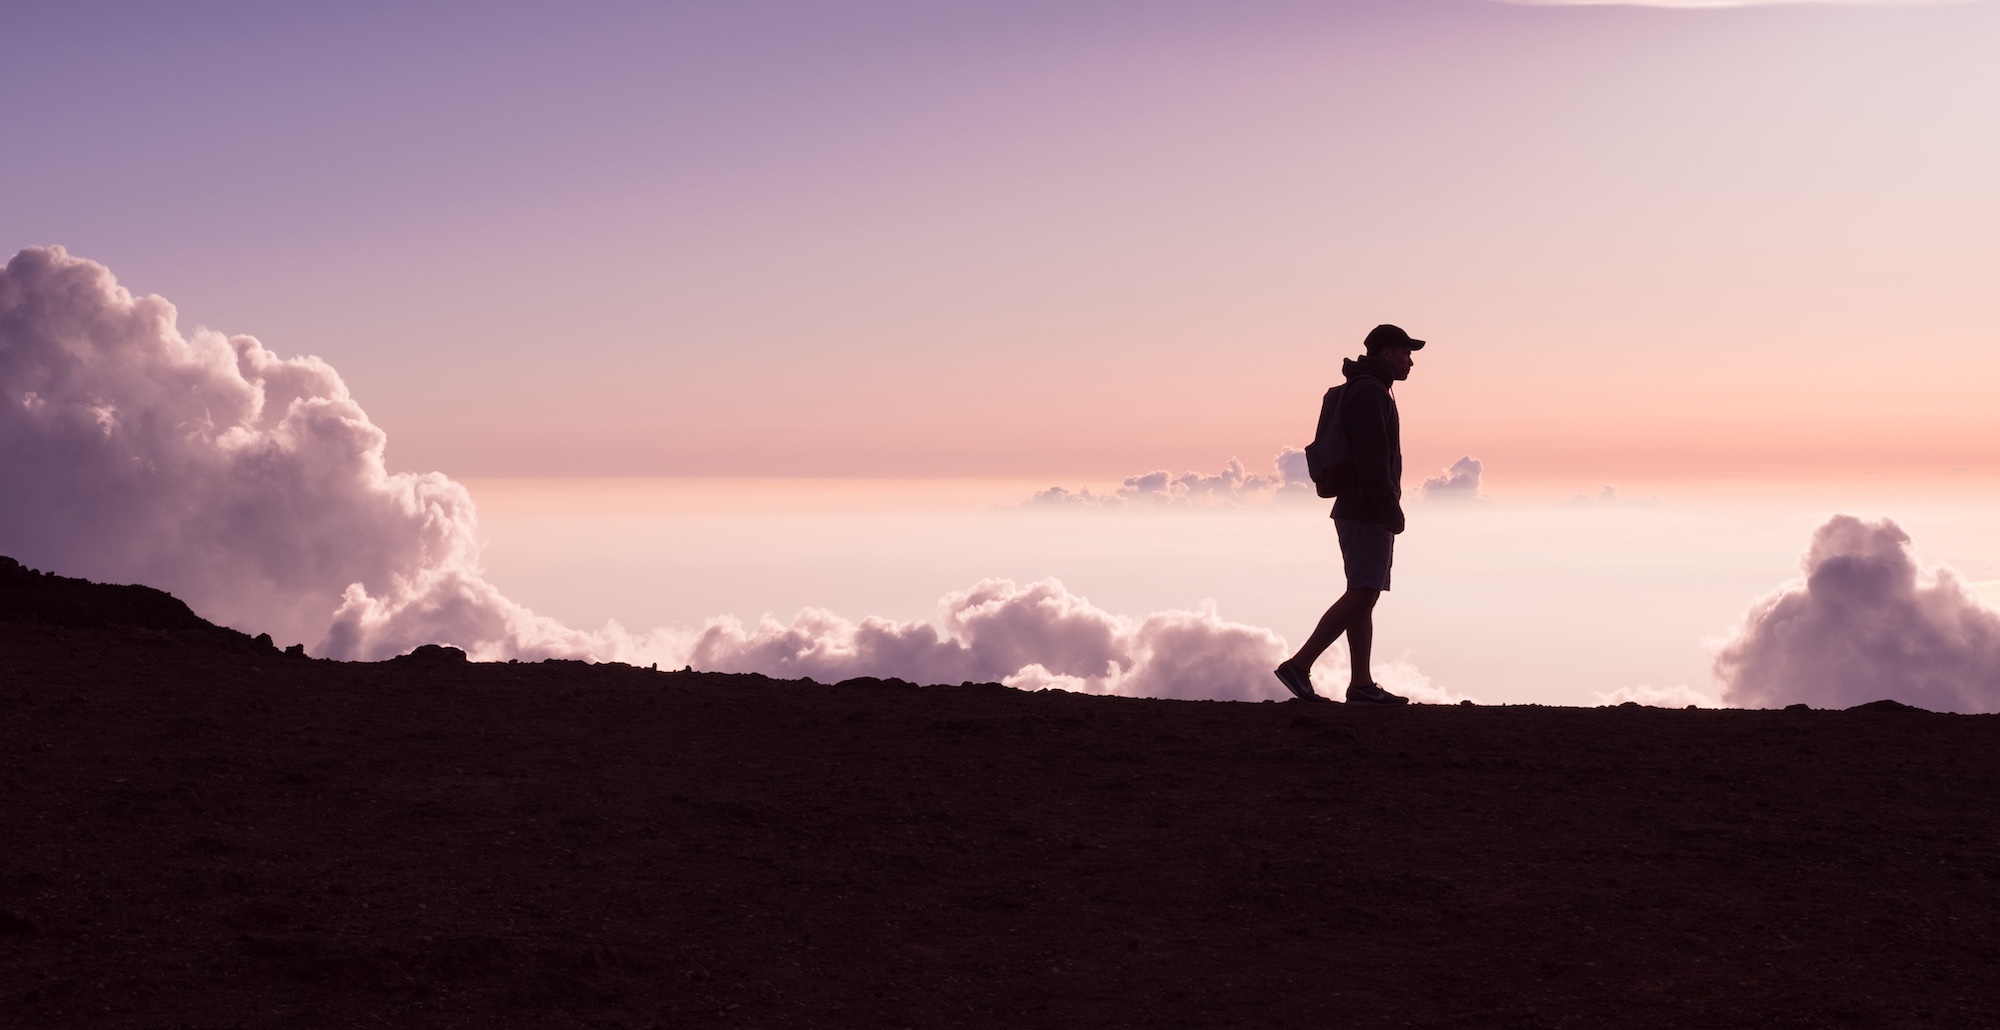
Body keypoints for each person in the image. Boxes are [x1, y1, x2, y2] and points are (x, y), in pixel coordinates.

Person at [1274, 324, 1424, 704]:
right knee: (1364, 590)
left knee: (1364, 592)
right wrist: (1390, 507)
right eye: (1406, 353)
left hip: (1358, 505)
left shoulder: (1371, 390)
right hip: (1366, 507)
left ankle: (1360, 685)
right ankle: (1299, 665)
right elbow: (1371, 456)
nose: (1410, 362)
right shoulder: (1371, 393)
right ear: (1387, 354)